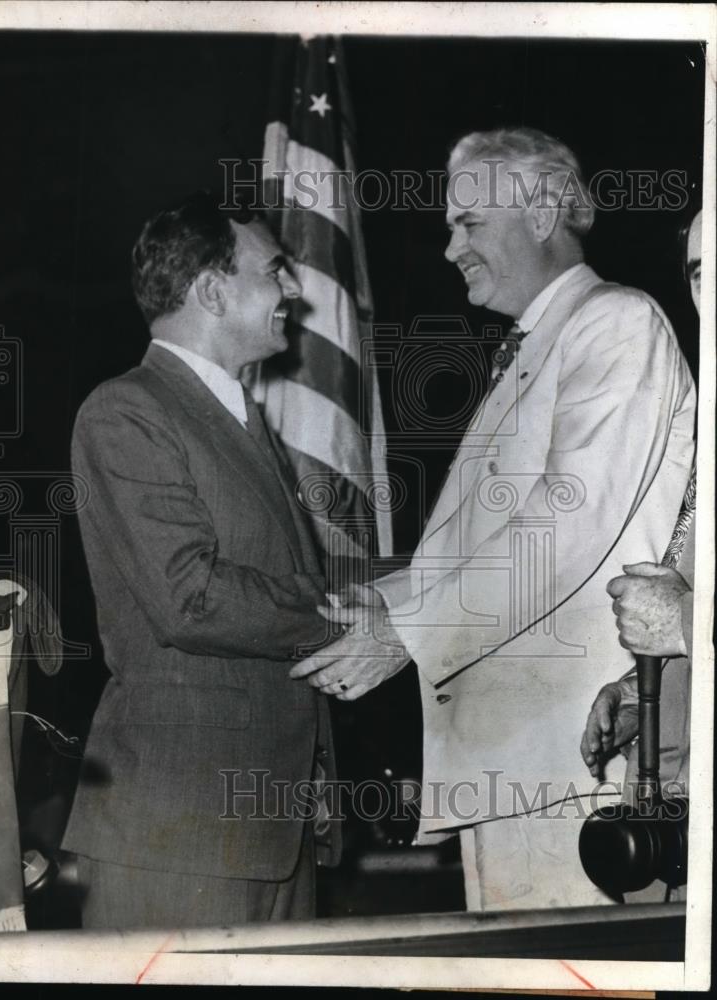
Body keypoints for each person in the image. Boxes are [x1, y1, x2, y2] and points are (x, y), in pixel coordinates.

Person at [290, 127, 696, 910]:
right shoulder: (538, 345)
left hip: (569, 765)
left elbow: (562, 529)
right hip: (516, 765)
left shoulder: (615, 323)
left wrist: (406, 632)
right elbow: (491, 541)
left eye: (468, 224)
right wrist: (386, 601)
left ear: (542, 212)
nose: (449, 249)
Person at [61, 193, 339, 929]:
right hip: (180, 834)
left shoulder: (238, 417)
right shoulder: (126, 411)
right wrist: (339, 618)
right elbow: (191, 596)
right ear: (213, 290)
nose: (293, 291)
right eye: (276, 271)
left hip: (273, 830)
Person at [580, 209, 702, 812]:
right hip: (672, 806)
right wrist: (643, 696)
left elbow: (687, 611)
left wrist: (682, 622)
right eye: (702, 275)